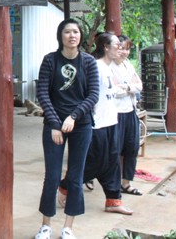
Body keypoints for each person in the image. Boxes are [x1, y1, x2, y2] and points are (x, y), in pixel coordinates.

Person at [35, 19, 100, 239]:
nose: (72, 35)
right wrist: (55, 124)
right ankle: (45, 226)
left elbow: (93, 95)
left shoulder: (88, 61)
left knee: (75, 176)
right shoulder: (50, 60)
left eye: (75, 32)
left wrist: (73, 116)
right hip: (54, 126)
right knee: (52, 177)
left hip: (81, 125)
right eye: (67, 32)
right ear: (60, 36)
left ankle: (68, 227)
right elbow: (43, 93)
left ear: (80, 36)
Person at [59, 32, 133, 218]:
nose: (120, 49)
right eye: (117, 45)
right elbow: (85, 94)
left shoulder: (109, 68)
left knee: (113, 162)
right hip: (95, 124)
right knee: (93, 163)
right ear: (106, 48)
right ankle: (65, 186)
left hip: (111, 121)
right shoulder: (95, 67)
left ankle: (113, 200)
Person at [112, 34, 144, 196]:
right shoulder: (108, 66)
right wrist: (130, 88)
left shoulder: (128, 65)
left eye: (127, 49)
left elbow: (139, 86)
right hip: (115, 113)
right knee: (115, 150)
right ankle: (113, 183)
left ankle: (126, 183)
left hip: (130, 111)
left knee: (132, 148)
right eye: (121, 48)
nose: (124, 52)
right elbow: (113, 91)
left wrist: (126, 87)